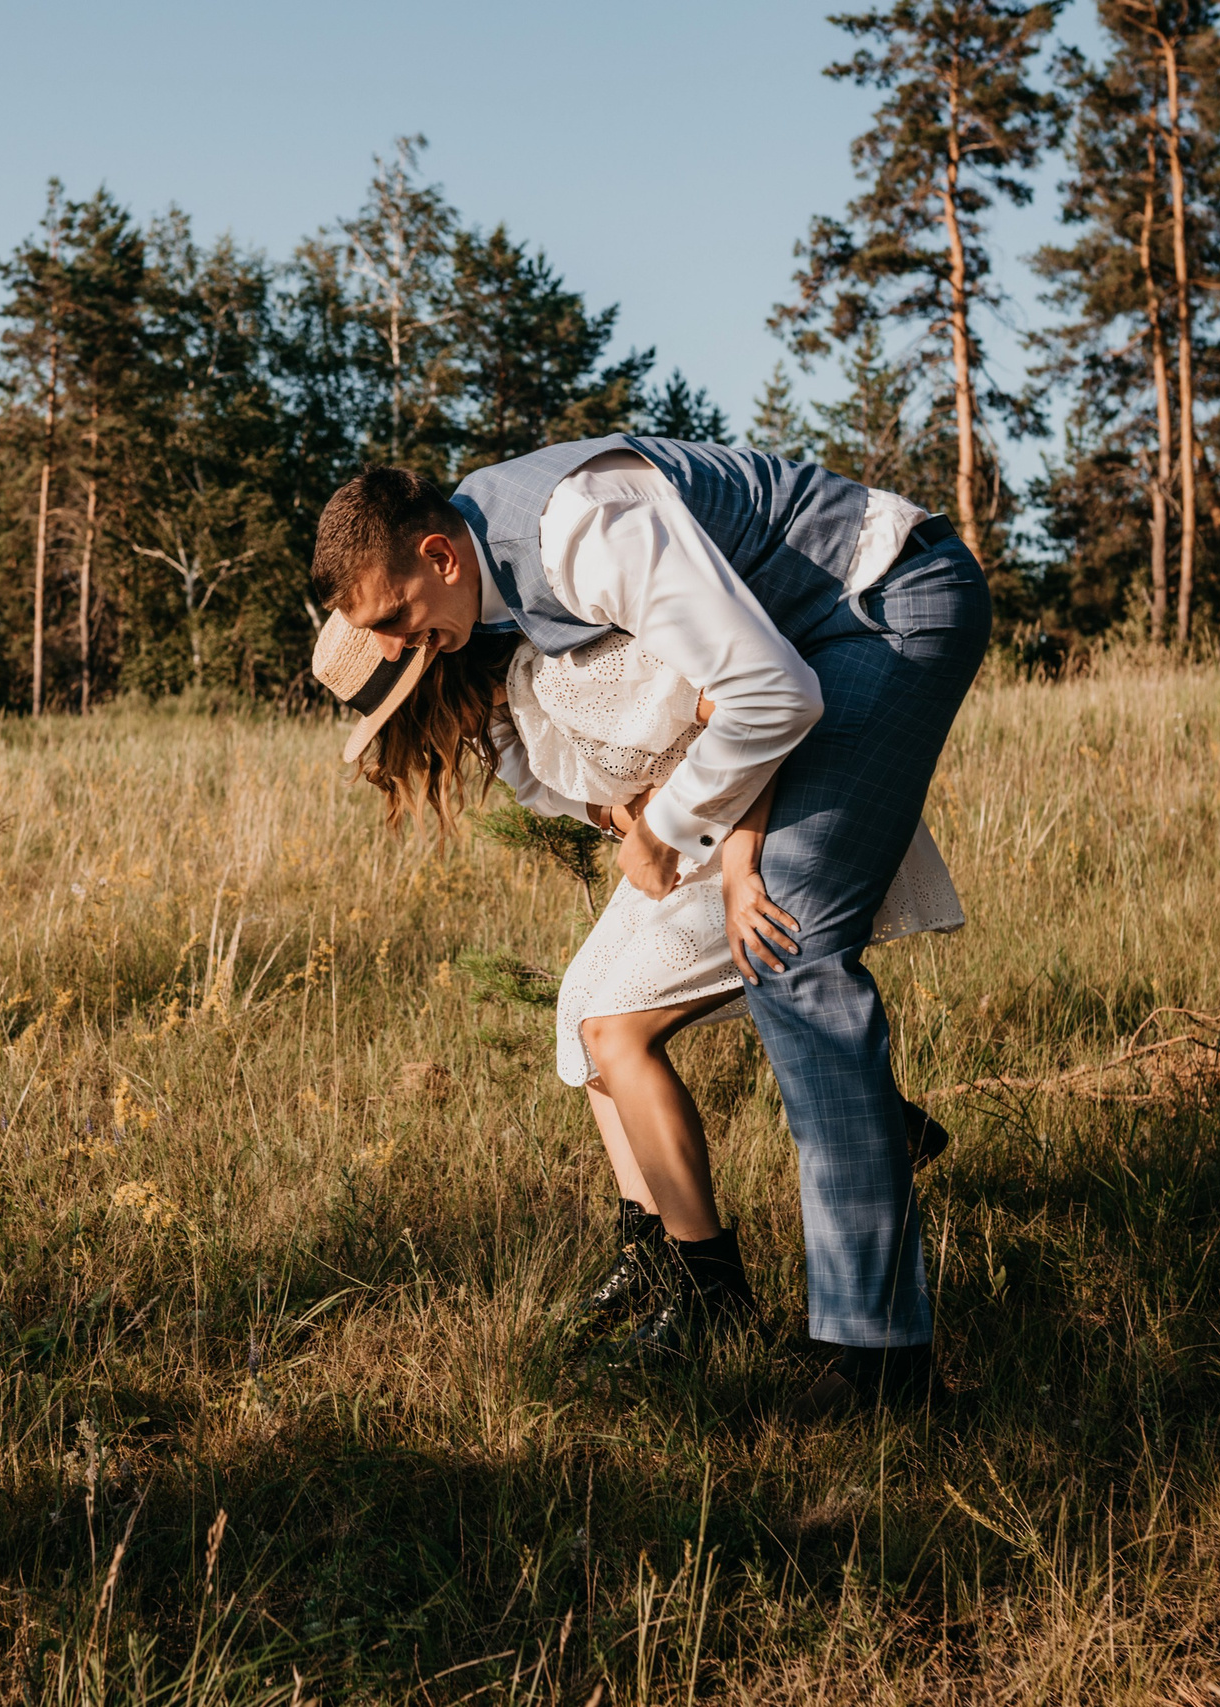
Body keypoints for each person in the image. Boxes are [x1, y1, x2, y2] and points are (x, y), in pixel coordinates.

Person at [308, 440, 991, 1411]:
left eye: (395, 618)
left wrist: (667, 834)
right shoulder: (505, 577)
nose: (398, 647)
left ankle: (884, 1364)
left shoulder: (576, 527)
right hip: (815, 639)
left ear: (439, 557)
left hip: (883, 604)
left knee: (787, 950)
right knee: (736, 970)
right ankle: (850, 1258)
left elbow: (766, 695)